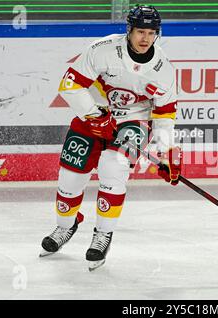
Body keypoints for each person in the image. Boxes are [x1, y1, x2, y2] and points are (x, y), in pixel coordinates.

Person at [39, 4, 181, 271]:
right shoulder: (103, 49)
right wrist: (95, 115)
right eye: (140, 31)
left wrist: (165, 152)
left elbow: (164, 113)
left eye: (151, 33)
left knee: (113, 166)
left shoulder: (163, 69)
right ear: (129, 30)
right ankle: (65, 227)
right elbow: (69, 84)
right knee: (70, 176)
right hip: (93, 114)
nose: (145, 38)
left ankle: (103, 234)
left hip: (134, 120)